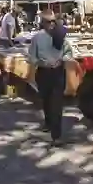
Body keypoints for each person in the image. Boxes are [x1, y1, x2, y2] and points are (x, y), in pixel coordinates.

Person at [27, 9, 73, 146]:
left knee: (57, 104)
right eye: (48, 22)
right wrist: (39, 62)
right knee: (46, 100)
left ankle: (56, 135)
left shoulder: (60, 35)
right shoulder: (37, 38)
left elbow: (69, 52)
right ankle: (48, 122)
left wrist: (62, 60)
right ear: (42, 23)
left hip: (58, 72)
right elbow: (31, 56)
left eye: (53, 21)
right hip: (43, 72)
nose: (52, 24)